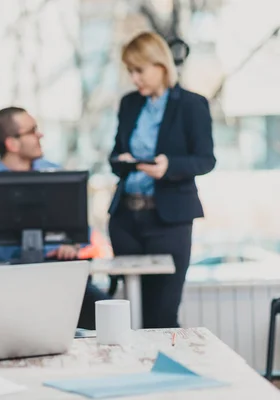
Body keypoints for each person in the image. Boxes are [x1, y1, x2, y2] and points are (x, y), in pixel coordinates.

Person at [108, 32, 216, 329]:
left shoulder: (192, 104)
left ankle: (168, 374)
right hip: (125, 219)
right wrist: (124, 162)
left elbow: (206, 160)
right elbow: (115, 154)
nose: (134, 78)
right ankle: (135, 374)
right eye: (130, 71)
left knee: (163, 313)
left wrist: (169, 167)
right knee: (132, 313)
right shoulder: (130, 104)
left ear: (160, 66)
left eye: (139, 70)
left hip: (169, 220)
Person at [0, 106, 110, 329]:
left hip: (62, 275)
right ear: (11, 143)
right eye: (32, 131)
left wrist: (72, 244)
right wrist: (47, 249)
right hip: (14, 281)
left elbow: (83, 230)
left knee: (107, 313)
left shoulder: (56, 173)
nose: (40, 135)